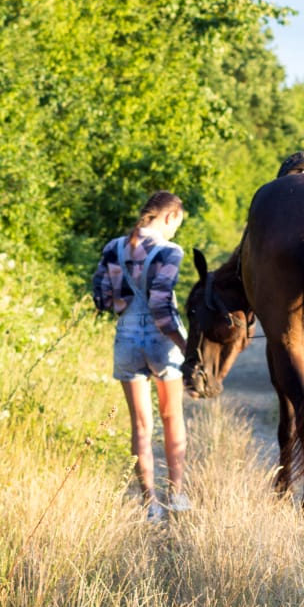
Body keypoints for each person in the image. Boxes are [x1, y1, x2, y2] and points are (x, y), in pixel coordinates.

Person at [93, 192, 191, 521]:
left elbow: (103, 298)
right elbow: (162, 307)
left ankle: (150, 504)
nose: (176, 231)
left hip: (127, 341)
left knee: (140, 426)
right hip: (162, 344)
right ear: (169, 216)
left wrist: (124, 301)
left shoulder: (114, 247)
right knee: (172, 417)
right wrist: (186, 346)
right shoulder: (169, 251)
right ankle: (175, 496)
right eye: (178, 223)